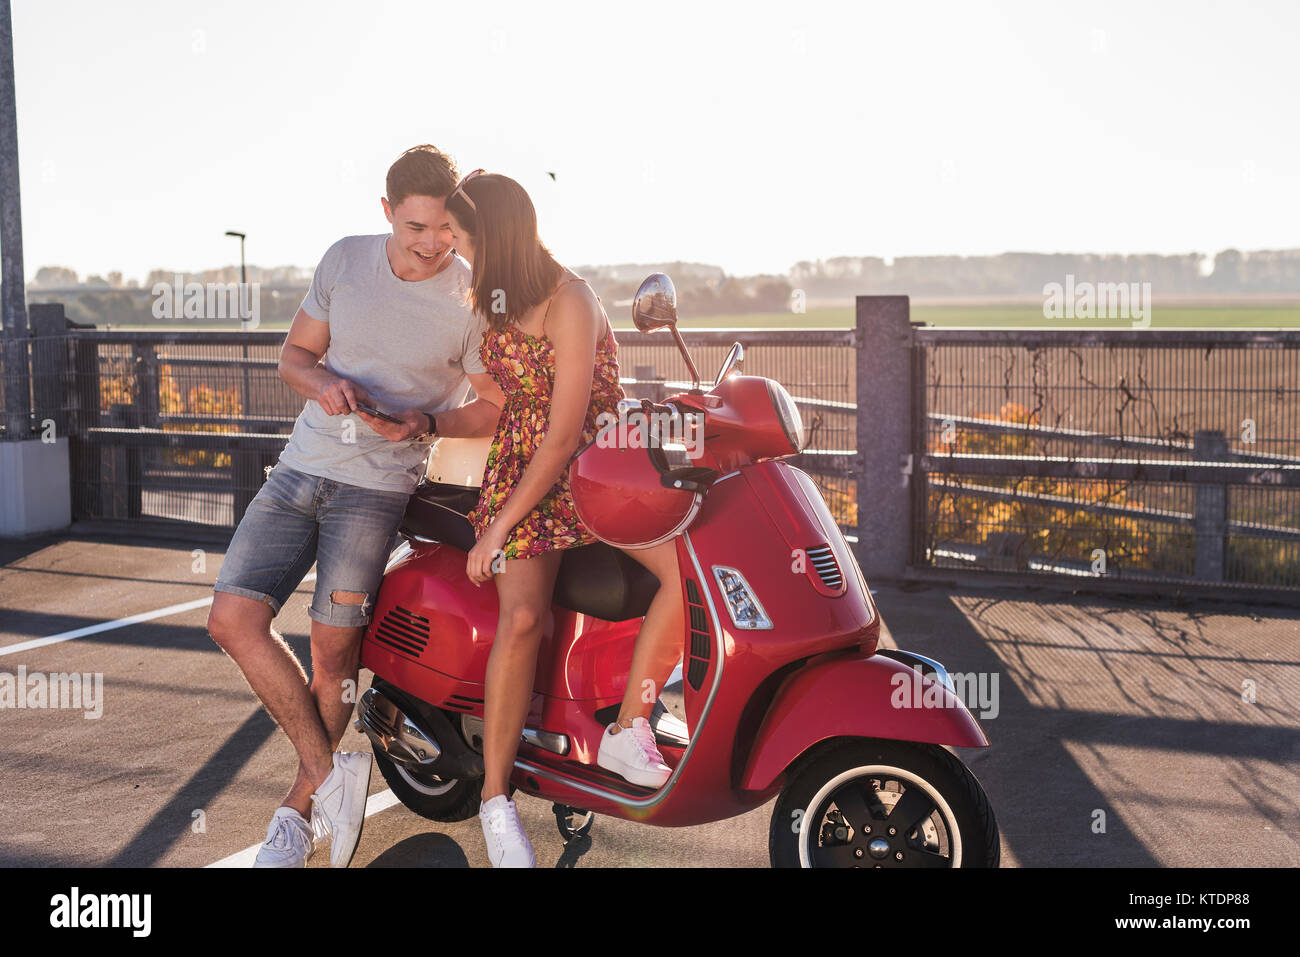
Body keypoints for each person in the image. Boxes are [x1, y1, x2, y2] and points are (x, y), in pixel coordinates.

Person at [206, 145, 506, 868]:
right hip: (299, 471)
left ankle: (295, 812)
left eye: (442, 229)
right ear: (385, 214)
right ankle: (331, 769)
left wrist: (426, 424)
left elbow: (494, 406)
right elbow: (293, 358)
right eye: (415, 229)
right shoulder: (344, 261)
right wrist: (325, 384)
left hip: (377, 491)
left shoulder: (470, 294)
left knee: (334, 650)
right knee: (231, 619)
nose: (432, 244)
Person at [443, 172, 686, 868]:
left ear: (496, 234)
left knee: (683, 580)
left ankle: (631, 724)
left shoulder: (570, 299)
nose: (459, 250)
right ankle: (495, 800)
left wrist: (494, 530)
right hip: (521, 465)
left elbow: (563, 432)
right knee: (523, 618)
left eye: (463, 237)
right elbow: (503, 396)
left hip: (594, 466)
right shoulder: (490, 297)